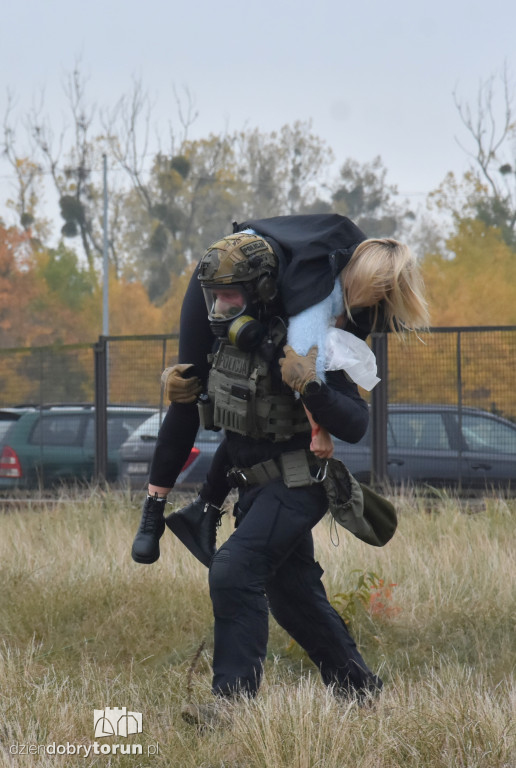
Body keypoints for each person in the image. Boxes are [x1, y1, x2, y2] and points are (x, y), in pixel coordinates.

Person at [131, 215, 428, 720]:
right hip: (253, 485)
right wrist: (164, 494)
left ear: (261, 291)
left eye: (232, 297)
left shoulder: (312, 337)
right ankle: (361, 692)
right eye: (218, 298)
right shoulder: (233, 341)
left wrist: (308, 383)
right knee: (292, 596)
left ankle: (230, 706)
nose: (223, 307)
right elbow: (223, 424)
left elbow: (356, 422)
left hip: (297, 481)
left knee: (234, 569)